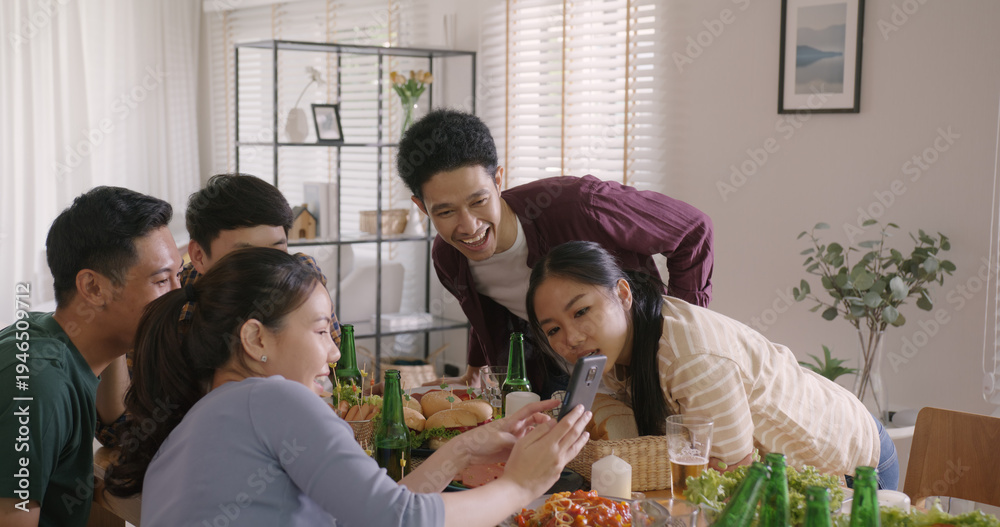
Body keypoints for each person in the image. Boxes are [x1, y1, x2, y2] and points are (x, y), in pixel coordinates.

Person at [104, 248, 590, 526]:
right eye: (321, 331)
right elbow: (396, 521)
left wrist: (464, 449)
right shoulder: (272, 397)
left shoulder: (205, 419)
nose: (335, 354)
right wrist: (521, 485)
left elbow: (370, 512)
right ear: (256, 339)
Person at [525, 241, 900, 490]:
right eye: (553, 329)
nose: (570, 338)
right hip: (778, 474)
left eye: (581, 311)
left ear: (622, 294)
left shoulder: (690, 357)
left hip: (849, 465)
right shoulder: (626, 343)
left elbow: (729, 476)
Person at [397, 109, 714, 395]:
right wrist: (475, 371)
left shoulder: (578, 205)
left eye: (478, 201)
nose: (469, 227)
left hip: (647, 374)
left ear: (498, 181)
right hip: (559, 385)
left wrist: (679, 336)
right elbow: (488, 315)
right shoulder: (448, 257)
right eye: (446, 212)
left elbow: (693, 231)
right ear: (422, 208)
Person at [95, 173, 344, 447]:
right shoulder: (174, 302)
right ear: (199, 256)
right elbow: (121, 431)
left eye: (277, 251)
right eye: (246, 255)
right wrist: (114, 330)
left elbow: (338, 370)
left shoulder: (302, 281)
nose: (269, 269)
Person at [0, 187, 181, 527]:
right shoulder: (40, 384)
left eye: (179, 276)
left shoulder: (50, 336)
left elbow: (116, 416)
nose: (178, 295)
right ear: (93, 288)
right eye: (161, 281)